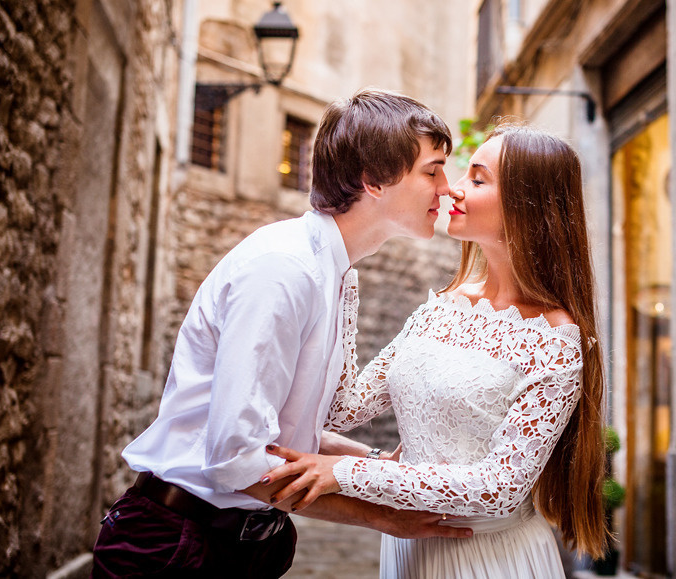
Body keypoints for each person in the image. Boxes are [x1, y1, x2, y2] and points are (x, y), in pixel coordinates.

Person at [91, 89, 473, 579]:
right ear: (374, 180)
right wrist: (382, 517)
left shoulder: (338, 272)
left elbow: (289, 433)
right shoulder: (285, 269)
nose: (447, 188)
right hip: (174, 548)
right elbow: (236, 457)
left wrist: (380, 463)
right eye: (432, 170)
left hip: (248, 543)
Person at [263, 124, 607, 578]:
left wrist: (344, 473)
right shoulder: (441, 308)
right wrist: (344, 281)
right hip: (409, 550)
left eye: (478, 179)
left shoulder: (555, 340)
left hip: (488, 558)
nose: (454, 190)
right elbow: (341, 409)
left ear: (529, 204)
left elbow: (499, 488)